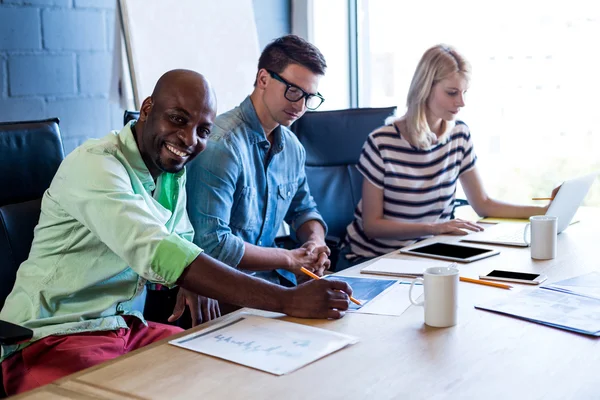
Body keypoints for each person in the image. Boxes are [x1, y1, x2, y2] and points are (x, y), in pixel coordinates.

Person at [0, 69, 352, 396]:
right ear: (147, 108)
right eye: (178, 120)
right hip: (48, 339)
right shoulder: (96, 164)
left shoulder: (170, 173)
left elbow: (180, 239)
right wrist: (287, 300)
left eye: (203, 130)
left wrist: (188, 278)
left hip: (124, 327)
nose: (188, 139)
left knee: (223, 377)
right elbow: (159, 251)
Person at [340, 44, 559, 267]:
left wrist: (546, 212)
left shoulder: (459, 135)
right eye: (452, 93)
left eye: (464, 93)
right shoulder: (382, 142)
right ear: (425, 88)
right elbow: (372, 226)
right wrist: (434, 228)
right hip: (376, 259)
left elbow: (483, 204)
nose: (461, 102)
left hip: (429, 254)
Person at [186, 35, 330, 290]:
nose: (300, 105)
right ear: (263, 79)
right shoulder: (222, 146)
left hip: (274, 283)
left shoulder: (292, 148)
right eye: (294, 90)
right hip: (225, 289)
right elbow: (212, 245)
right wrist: (287, 258)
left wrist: (316, 242)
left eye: (310, 97)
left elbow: (304, 210)